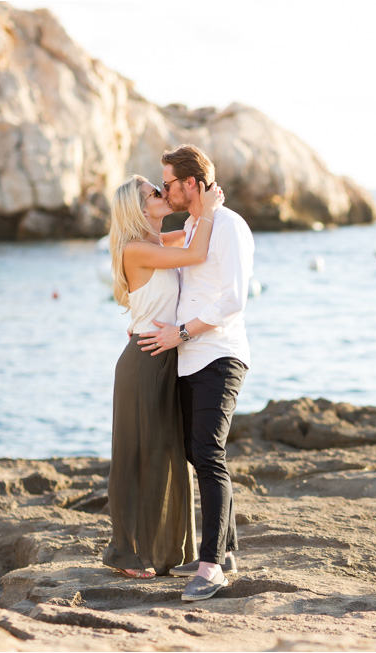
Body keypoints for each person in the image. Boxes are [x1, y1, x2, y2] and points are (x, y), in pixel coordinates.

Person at [138, 145, 254, 602]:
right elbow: (157, 261)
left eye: (167, 183)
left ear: (191, 184)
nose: (165, 190)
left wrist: (180, 332)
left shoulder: (229, 226)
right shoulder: (192, 226)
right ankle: (223, 551)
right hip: (187, 355)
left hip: (219, 354)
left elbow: (233, 299)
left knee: (207, 452)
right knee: (194, 451)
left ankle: (211, 567)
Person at [102, 173, 223, 578]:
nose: (161, 193)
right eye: (153, 192)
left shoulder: (155, 242)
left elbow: (191, 239)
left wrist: (199, 208)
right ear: (138, 208)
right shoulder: (136, 249)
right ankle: (126, 554)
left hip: (166, 357)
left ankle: (168, 550)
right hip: (144, 360)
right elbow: (197, 253)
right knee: (139, 457)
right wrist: (207, 209)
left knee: (167, 456)